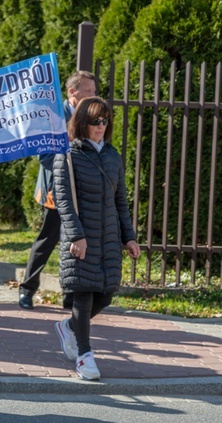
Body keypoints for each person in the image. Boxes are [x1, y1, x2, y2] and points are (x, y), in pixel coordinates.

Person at [52, 96, 140, 381]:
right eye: (94, 121)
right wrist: (77, 235)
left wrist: (129, 237)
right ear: (81, 123)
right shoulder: (67, 155)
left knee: (106, 292)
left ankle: (69, 327)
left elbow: (120, 202)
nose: (101, 126)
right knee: (84, 294)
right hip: (81, 237)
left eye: (104, 121)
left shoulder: (113, 156)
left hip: (108, 237)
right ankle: (84, 356)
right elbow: (63, 200)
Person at [19, 70, 97, 310]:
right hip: (57, 191)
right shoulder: (54, 116)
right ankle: (27, 290)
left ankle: (71, 295)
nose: (93, 96)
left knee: (76, 241)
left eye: (95, 92)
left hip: (83, 191)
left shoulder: (91, 116)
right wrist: (68, 170)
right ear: (72, 92)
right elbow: (44, 157)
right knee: (48, 240)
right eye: (88, 91)